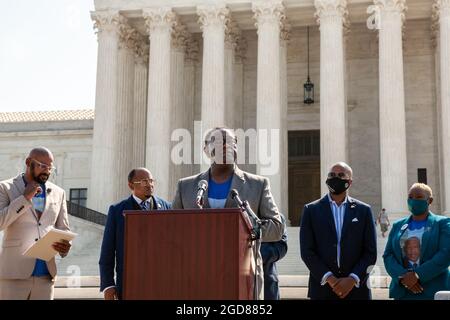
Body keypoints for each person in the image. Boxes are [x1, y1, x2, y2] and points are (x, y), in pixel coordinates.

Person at [172, 127, 285, 300]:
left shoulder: (258, 184)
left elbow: (277, 228)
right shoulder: (185, 187)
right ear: (205, 150)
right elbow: (172, 231)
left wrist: (240, 228)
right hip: (196, 278)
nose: (225, 146)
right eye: (217, 141)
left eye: (230, 141)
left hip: (243, 278)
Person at [0, 147, 71, 300]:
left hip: (46, 277)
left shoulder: (59, 192)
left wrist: (65, 248)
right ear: (28, 162)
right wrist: (24, 199)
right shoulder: (5, 187)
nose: (47, 171)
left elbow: (63, 229)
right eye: (42, 166)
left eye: (50, 167)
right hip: (13, 276)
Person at [300, 162, 377, 300]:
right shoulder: (311, 210)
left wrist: (352, 279)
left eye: (341, 175)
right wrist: (330, 278)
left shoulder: (364, 211)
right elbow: (307, 251)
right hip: (322, 289)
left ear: (349, 182)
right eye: (331, 175)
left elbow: (370, 253)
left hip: (357, 291)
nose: (335, 178)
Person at [99, 168, 171, 300]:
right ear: (131, 185)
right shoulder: (117, 210)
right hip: (129, 284)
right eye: (144, 181)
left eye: (151, 181)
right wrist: (108, 284)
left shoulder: (167, 207)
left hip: (161, 284)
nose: (149, 185)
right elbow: (107, 251)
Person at [383, 183, 450, 300]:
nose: (413, 200)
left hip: (433, 290)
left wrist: (417, 275)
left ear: (429, 200)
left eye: (418, 197)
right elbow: (388, 255)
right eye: (410, 197)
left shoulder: (442, 223)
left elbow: (445, 254)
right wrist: (403, 277)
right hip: (403, 291)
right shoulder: (398, 225)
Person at [261, 214, 288, 300]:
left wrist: (254, 254)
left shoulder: (278, 218)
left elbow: (281, 248)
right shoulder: (237, 213)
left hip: (267, 282)